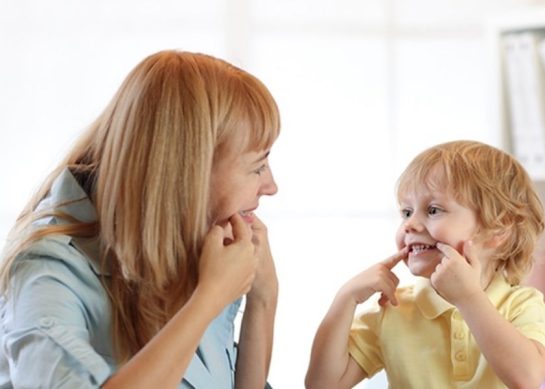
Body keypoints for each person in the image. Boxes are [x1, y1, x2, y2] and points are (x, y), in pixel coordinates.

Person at [0, 50, 280, 388]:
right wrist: (208, 299)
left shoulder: (200, 248)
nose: (271, 186)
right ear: (187, 175)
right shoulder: (47, 274)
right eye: (257, 167)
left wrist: (263, 298)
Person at [305, 140, 545, 388]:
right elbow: (322, 385)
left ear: (497, 230)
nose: (410, 224)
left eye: (433, 210)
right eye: (406, 212)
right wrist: (345, 298)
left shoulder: (522, 305)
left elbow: (527, 379)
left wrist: (468, 297)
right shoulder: (395, 308)